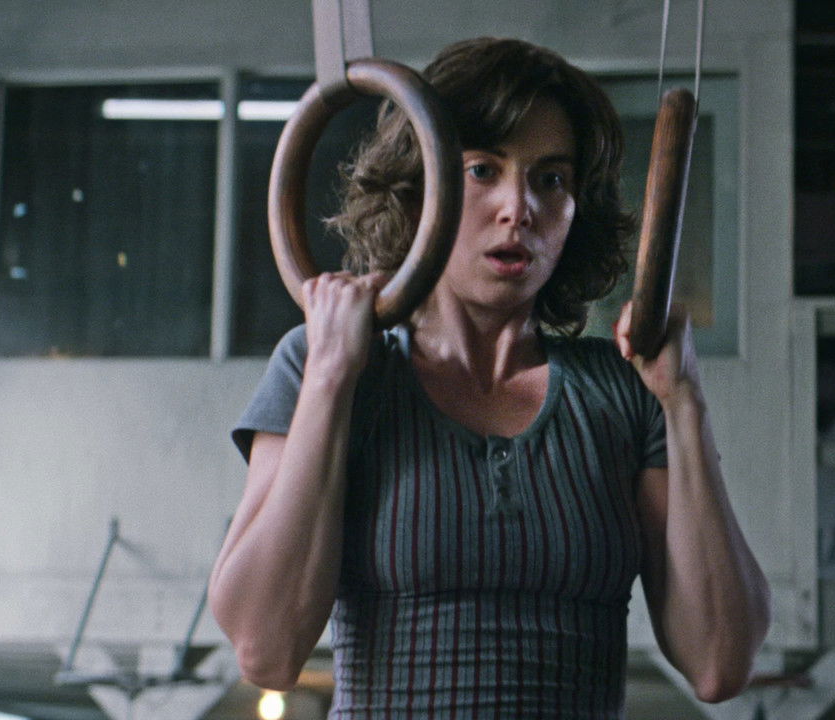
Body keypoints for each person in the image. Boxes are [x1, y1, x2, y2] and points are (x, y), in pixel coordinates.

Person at [209, 37, 770, 718]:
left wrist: (684, 402)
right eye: (482, 169)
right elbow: (266, 649)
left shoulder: (625, 391)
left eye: (551, 179)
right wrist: (330, 376)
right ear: (422, 189)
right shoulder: (324, 364)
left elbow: (720, 663)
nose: (519, 207)